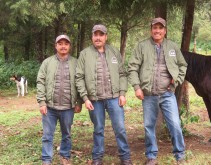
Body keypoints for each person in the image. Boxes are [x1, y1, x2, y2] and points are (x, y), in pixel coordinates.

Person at [127, 17, 187, 165]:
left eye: (160, 28)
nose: (157, 31)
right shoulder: (142, 46)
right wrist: (137, 87)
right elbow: (132, 68)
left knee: (174, 123)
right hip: (148, 95)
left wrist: (177, 79)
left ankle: (180, 155)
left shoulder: (172, 47)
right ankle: (151, 156)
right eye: (155, 28)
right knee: (149, 126)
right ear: (151, 30)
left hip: (167, 94)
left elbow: (183, 65)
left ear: (165, 31)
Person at [75, 24, 132, 165]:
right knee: (98, 129)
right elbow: (79, 77)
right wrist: (85, 98)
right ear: (92, 37)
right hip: (95, 100)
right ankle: (97, 158)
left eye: (101, 35)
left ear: (106, 37)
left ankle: (125, 157)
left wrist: (122, 93)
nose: (98, 38)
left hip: (114, 98)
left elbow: (122, 74)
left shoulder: (114, 52)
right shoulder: (84, 54)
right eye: (95, 35)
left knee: (120, 128)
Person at [36, 34, 82, 165]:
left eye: (66, 44)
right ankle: (46, 159)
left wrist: (79, 102)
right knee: (47, 135)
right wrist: (42, 102)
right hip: (49, 107)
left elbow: (80, 83)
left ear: (69, 46)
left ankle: (65, 156)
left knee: (66, 134)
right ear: (55, 46)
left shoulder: (76, 63)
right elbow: (40, 82)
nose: (63, 46)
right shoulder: (47, 62)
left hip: (68, 107)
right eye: (60, 43)